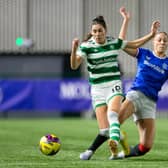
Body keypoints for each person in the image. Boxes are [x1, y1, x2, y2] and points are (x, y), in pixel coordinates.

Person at [70, 6, 159, 160]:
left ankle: (114, 140)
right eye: (95, 31)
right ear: (92, 32)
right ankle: (106, 142)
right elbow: (74, 66)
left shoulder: (113, 42)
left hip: (113, 84)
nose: (97, 34)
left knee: (113, 114)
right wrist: (74, 49)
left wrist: (151, 35)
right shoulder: (86, 47)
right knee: (104, 130)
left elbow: (134, 44)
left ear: (105, 31)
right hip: (97, 89)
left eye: (100, 31)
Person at [116, 31, 168, 159]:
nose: (162, 42)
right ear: (153, 42)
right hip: (136, 94)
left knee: (145, 147)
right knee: (115, 123)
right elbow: (121, 45)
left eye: (165, 41)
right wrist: (126, 20)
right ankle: (90, 150)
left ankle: (123, 154)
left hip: (150, 103)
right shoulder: (145, 54)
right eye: (159, 39)